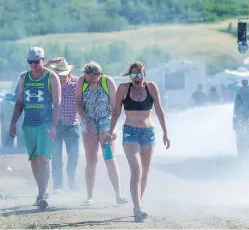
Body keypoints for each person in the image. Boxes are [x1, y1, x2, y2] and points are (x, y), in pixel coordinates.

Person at [103, 61, 170, 222]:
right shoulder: (124, 89)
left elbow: (159, 109)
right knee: (137, 169)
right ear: (130, 76)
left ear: (144, 74)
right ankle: (138, 209)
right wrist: (111, 131)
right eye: (134, 75)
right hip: (130, 132)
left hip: (148, 133)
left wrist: (165, 133)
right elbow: (116, 112)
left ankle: (137, 203)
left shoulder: (151, 87)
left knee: (145, 172)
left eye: (139, 74)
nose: (137, 78)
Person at [9, 47, 61, 210]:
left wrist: (53, 126)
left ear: (43, 60)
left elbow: (57, 103)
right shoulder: (23, 77)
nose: (33, 65)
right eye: (30, 62)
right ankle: (42, 192)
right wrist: (12, 123)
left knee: (44, 158)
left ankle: (41, 194)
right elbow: (20, 102)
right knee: (33, 160)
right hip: (29, 124)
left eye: (36, 62)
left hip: (45, 122)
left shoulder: (51, 77)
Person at [75, 61, 128, 206]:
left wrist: (113, 129)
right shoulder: (82, 81)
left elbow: (115, 106)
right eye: (86, 76)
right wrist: (87, 121)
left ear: (97, 74)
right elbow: (78, 105)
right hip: (88, 121)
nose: (87, 79)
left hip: (106, 120)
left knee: (109, 157)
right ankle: (89, 196)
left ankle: (118, 195)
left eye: (90, 77)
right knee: (91, 160)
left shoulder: (107, 81)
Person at [45, 57, 80, 193]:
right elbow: (41, 73)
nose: (62, 77)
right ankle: (58, 186)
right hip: (56, 124)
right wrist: (48, 64)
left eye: (64, 74)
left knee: (73, 157)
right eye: (59, 74)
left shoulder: (76, 82)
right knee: (56, 157)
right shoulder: (50, 83)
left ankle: (71, 184)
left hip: (72, 124)